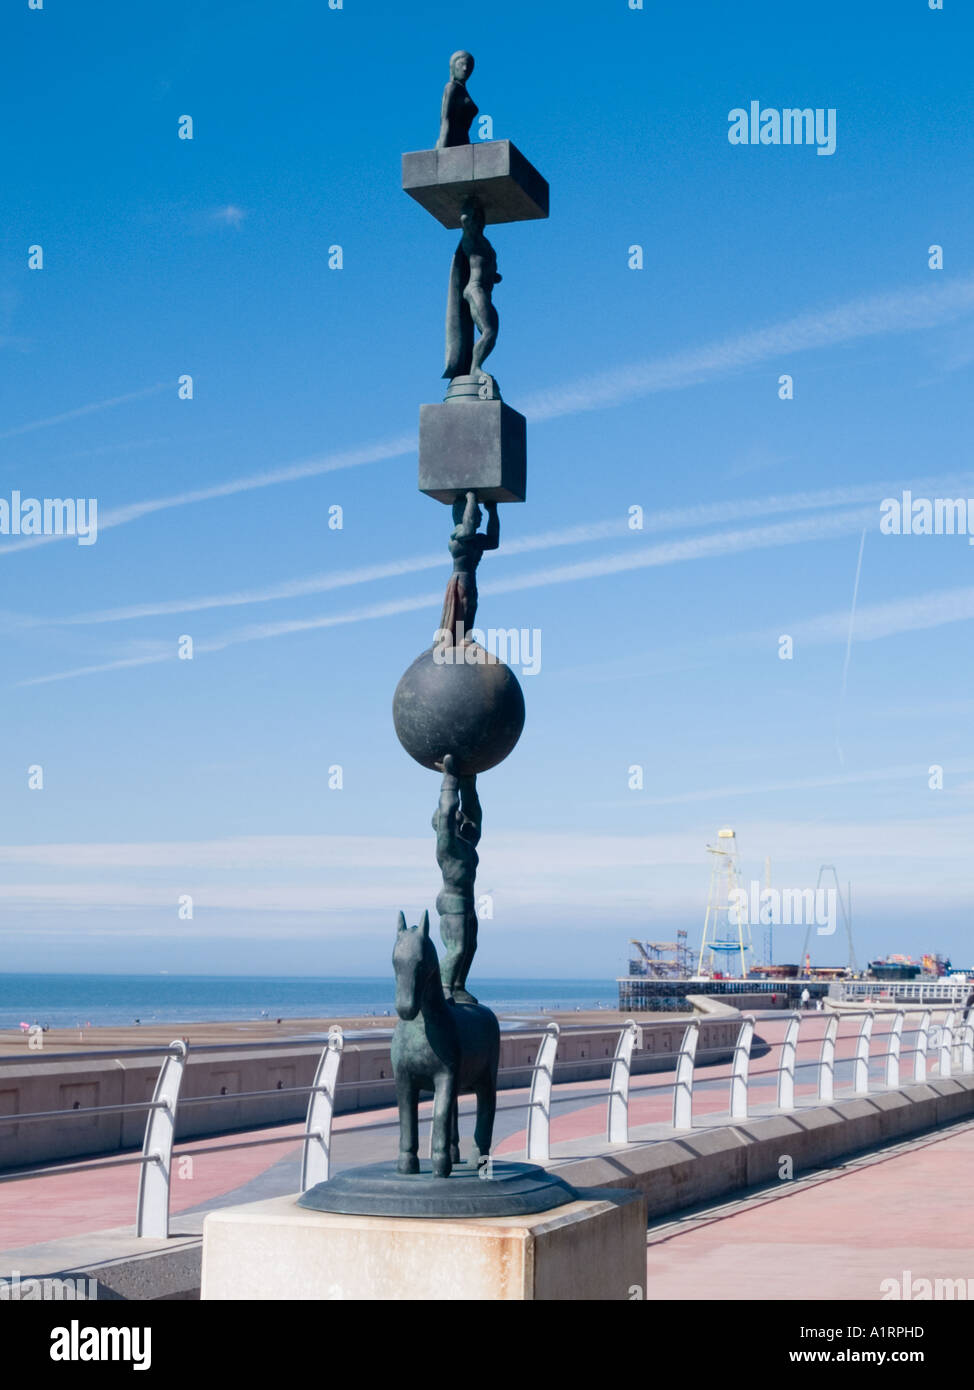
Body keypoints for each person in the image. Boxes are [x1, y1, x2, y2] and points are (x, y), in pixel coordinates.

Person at [432, 753, 482, 1004]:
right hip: (453, 903)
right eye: (456, 818)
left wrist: (469, 783)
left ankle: (458, 986)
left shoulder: (466, 844)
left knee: (470, 947)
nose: (461, 817)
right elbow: (447, 810)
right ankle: (443, 988)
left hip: (467, 903)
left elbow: (474, 817)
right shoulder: (447, 847)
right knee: (458, 948)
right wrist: (450, 779)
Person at [438, 490, 499, 643]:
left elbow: (493, 541)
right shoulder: (457, 535)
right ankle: (459, 639)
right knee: (463, 606)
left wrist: (492, 511)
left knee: (471, 606)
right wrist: (471, 497)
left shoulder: (476, 540)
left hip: (470, 578)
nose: (480, 515)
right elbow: (468, 528)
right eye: (477, 511)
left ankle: (466, 637)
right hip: (460, 579)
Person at [436, 51, 478, 149]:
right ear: (453, 66)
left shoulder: (463, 90)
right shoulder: (451, 87)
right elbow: (445, 119)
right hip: (450, 143)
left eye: (469, 66)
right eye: (461, 64)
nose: (465, 68)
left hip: (463, 143)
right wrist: (442, 150)